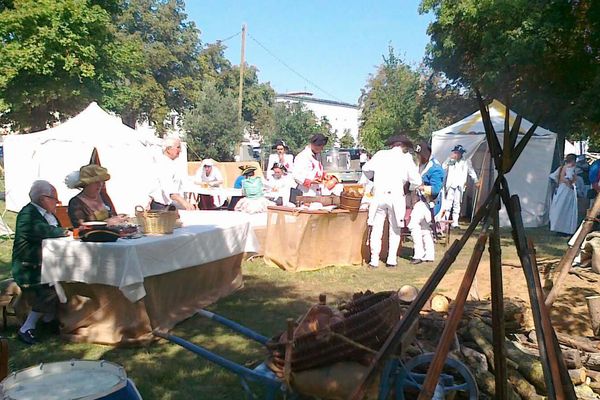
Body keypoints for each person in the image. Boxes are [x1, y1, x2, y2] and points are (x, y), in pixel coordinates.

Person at [12, 180, 69, 344]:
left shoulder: (48, 215)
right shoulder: (27, 215)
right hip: (29, 267)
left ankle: (49, 322)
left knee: (69, 281)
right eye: (54, 200)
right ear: (44, 199)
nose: (57, 203)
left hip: (47, 264)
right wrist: (68, 232)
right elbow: (45, 232)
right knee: (51, 288)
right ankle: (26, 328)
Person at [362, 134, 422, 268]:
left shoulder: (380, 154)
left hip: (379, 194)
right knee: (395, 229)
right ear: (403, 146)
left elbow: (366, 169)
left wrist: (374, 179)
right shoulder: (406, 158)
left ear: (392, 145)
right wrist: (408, 188)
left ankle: (374, 260)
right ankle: (391, 259)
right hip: (396, 195)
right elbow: (416, 181)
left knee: (377, 228)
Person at [408, 142, 445, 264]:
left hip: (430, 202)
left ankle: (418, 254)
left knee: (413, 225)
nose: (418, 157)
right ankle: (429, 255)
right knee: (424, 227)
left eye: (419, 155)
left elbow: (435, 189)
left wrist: (421, 187)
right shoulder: (423, 165)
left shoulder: (435, 168)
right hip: (422, 201)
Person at [148, 137, 196, 211]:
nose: (180, 150)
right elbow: (169, 189)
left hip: (167, 206)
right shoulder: (164, 164)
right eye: (178, 147)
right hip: (160, 207)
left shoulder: (170, 164)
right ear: (168, 149)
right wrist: (184, 203)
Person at [440, 144, 479, 228]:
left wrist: (476, 180)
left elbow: (471, 171)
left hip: (460, 185)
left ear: (461, 153)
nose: (456, 154)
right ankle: (445, 221)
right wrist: (450, 159)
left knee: (457, 204)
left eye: (458, 153)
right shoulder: (450, 160)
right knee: (448, 204)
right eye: (455, 152)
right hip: (450, 185)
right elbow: (443, 167)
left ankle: (455, 223)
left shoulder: (466, 161)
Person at [549, 153, 578, 235]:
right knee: (562, 207)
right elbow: (563, 178)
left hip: (567, 190)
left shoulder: (571, 168)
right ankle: (560, 227)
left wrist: (572, 183)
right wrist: (569, 184)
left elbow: (575, 178)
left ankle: (566, 228)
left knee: (566, 208)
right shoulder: (565, 168)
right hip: (565, 189)